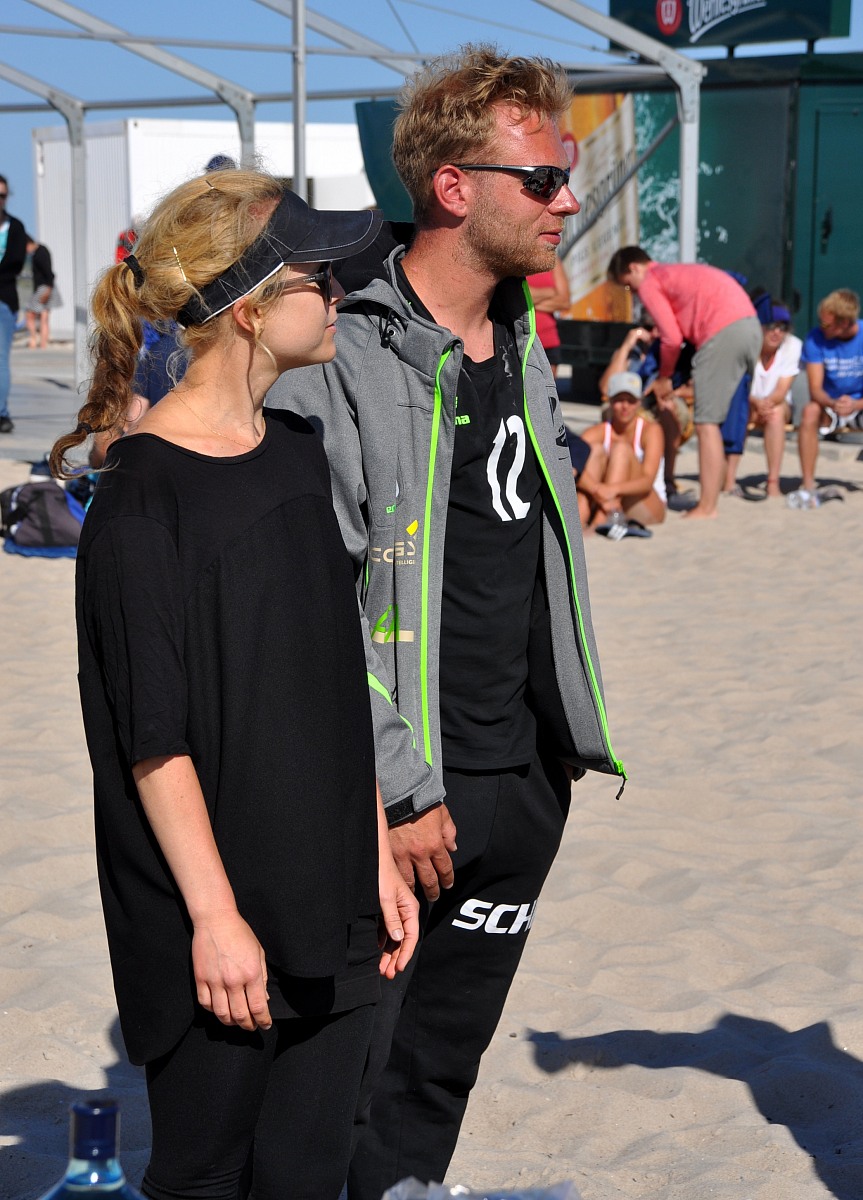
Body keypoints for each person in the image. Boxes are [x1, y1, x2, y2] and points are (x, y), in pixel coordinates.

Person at [269, 44, 625, 1197]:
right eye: (541, 179)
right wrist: (395, 785)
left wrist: (553, 756)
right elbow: (305, 607)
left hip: (521, 776)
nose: (564, 201)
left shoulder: (521, 336)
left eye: (564, 178)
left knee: (440, 1067)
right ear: (453, 187)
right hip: (402, 791)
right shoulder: (340, 357)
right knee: (345, 1075)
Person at [49, 168, 418, 1200]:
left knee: (308, 1171)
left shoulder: (297, 451)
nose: (341, 293)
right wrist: (215, 919)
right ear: (249, 306)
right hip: (210, 915)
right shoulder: (141, 499)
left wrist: (374, 852)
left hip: (332, 891)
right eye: (318, 277)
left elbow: (333, 680)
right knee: (205, 1174)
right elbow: (151, 740)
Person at [607, 246, 761, 520]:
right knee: (714, 421)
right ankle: (713, 497)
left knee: (706, 423)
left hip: (723, 330)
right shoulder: (674, 272)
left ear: (634, 268)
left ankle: (707, 507)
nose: (633, 292)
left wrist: (664, 377)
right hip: (749, 326)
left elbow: (671, 338)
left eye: (628, 286)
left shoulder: (651, 281)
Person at [598, 320, 695, 503]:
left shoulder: (675, 353)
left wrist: (671, 391)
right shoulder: (631, 354)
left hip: (660, 404)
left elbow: (695, 388)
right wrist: (626, 346)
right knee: (614, 409)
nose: (655, 333)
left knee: (668, 410)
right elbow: (605, 388)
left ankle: (668, 481)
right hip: (632, 404)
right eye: (650, 328)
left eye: (660, 327)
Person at [723, 299, 801, 499]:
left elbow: (782, 390)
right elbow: (737, 384)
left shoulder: (792, 345)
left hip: (775, 404)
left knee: (775, 414)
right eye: (771, 326)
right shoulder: (745, 345)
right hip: (748, 402)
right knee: (740, 411)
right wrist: (755, 403)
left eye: (783, 327)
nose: (777, 332)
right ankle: (729, 480)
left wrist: (764, 404)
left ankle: (773, 482)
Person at [793, 288, 863, 505]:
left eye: (826, 324)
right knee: (809, 411)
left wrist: (855, 404)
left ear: (844, 323)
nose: (821, 327)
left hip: (859, 404)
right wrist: (834, 403)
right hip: (830, 405)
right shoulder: (815, 338)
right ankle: (808, 485)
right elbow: (815, 389)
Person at [577, 371, 666, 535]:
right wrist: (597, 489)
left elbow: (647, 482)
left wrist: (611, 490)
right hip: (607, 500)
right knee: (593, 451)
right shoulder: (598, 431)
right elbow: (571, 466)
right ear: (610, 401)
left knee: (621, 449)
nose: (625, 406)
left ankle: (599, 522)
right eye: (619, 400)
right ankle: (578, 520)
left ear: (639, 402)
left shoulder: (651, 430)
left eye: (631, 401)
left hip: (647, 504)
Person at [0, 175, 28, 433]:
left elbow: (15, 264)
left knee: (1, 359)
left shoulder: (15, 227)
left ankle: (1, 413)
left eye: (2, 195)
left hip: (4, 300)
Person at [526, 254, 570, 376]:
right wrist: (551, 292)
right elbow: (513, 294)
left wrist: (527, 301)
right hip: (522, 339)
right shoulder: (516, 257)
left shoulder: (552, 259)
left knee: (548, 387)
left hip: (549, 341)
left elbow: (564, 302)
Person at [25, 237, 56, 349]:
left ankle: (36, 339)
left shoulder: (40, 253)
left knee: (32, 314)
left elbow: (49, 272)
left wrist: (49, 289)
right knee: (43, 315)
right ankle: (42, 343)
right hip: (45, 286)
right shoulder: (39, 251)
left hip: (44, 287)